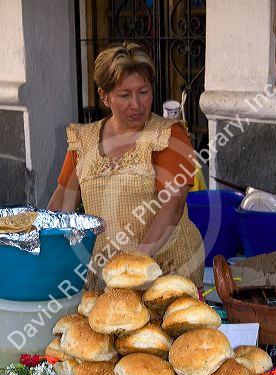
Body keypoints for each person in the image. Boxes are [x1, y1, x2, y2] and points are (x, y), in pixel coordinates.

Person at [48, 41, 205, 291]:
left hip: (167, 272)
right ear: (104, 95)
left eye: (143, 91)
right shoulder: (83, 141)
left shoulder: (168, 135)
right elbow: (60, 208)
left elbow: (171, 209)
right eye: (124, 94)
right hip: (106, 276)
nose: (137, 104)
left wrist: (133, 270)